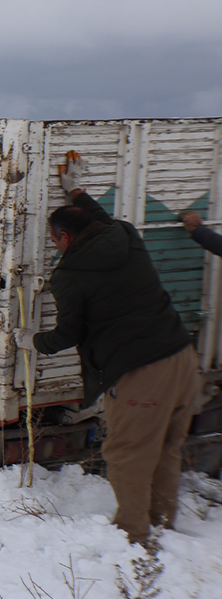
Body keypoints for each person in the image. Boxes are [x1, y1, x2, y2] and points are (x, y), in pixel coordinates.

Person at [31, 151, 201, 546]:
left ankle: (134, 540)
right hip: (182, 358)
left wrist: (32, 340)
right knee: (166, 448)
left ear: (64, 238)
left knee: (128, 454)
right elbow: (101, 220)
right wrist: (76, 191)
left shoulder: (69, 277)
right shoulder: (125, 234)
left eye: (55, 240)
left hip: (142, 374)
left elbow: (67, 335)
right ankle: (162, 524)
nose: (55, 247)